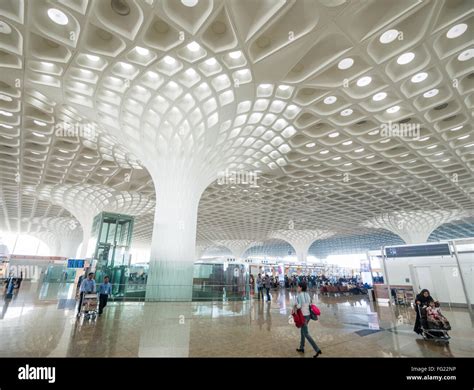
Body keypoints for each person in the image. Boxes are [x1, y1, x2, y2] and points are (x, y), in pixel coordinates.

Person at [294, 282, 322, 358]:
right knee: (302, 331)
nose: (297, 288)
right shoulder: (307, 294)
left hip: (303, 317)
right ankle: (301, 347)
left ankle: (317, 349)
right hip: (308, 316)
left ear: (301, 288)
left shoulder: (299, 295)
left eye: (298, 287)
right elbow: (310, 303)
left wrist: (295, 306)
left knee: (306, 333)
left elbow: (299, 306)